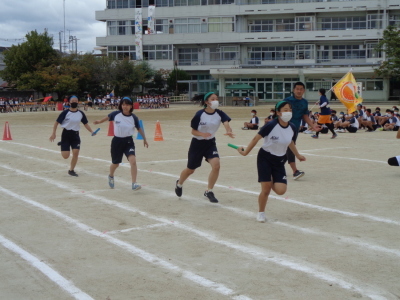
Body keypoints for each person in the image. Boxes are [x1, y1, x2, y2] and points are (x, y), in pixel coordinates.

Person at [238, 101, 306, 222]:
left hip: (280, 160)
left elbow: (290, 142)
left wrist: (298, 155)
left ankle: (270, 179)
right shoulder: (271, 125)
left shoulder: (292, 127)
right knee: (266, 189)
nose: (288, 112)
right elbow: (256, 138)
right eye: (285, 110)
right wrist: (245, 152)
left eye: (290, 109)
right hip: (265, 158)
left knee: (281, 190)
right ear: (278, 112)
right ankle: (261, 212)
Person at [175, 92, 234, 203]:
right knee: (190, 170)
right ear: (207, 102)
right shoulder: (199, 114)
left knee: (216, 165)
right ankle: (179, 183)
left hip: (210, 143)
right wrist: (202, 134)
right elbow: (193, 131)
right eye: (213, 99)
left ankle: (209, 191)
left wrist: (229, 131)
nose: (216, 101)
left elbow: (226, 123)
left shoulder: (220, 113)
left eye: (216, 98)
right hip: (197, 144)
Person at [94, 97, 148, 190]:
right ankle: (111, 176)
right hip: (117, 141)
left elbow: (139, 128)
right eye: (123, 105)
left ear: (131, 106)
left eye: (127, 105)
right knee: (116, 163)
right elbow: (108, 117)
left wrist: (144, 139)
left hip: (128, 141)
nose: (125, 107)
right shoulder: (116, 114)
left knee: (133, 161)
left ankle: (134, 183)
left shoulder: (133, 117)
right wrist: (99, 121)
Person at [49, 95, 96, 176]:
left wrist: (92, 131)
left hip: (75, 135)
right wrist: (53, 133)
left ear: (78, 102)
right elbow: (56, 123)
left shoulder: (80, 113)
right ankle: (63, 143)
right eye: (73, 101)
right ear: (69, 102)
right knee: (65, 156)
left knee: (76, 152)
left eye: (76, 101)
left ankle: (71, 170)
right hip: (66, 134)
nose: (74, 102)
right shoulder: (65, 112)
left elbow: (85, 124)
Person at [283, 82, 320, 180]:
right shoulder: (287, 101)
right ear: (293, 90)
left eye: (301, 89)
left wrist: (313, 126)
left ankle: (276, 168)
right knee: (290, 148)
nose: (299, 91)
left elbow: (305, 116)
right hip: (285, 128)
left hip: (295, 128)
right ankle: (295, 171)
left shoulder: (304, 102)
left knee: (288, 149)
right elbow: (279, 113)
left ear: (304, 91)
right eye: (297, 89)